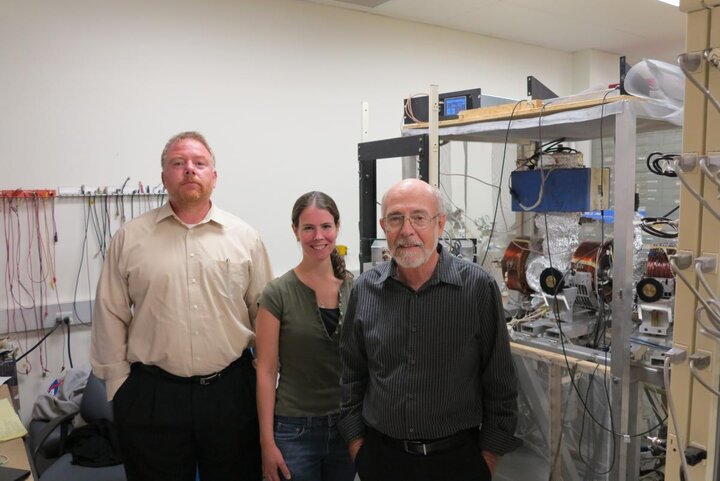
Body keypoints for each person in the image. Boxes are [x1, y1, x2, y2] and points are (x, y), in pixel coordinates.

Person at [90, 131, 273, 481]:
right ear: (164, 177)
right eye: (178, 163)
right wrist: (119, 387)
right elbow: (110, 313)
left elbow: (263, 315)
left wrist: (268, 382)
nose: (189, 170)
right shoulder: (131, 238)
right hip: (152, 396)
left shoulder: (244, 238)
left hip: (230, 393)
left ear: (214, 177)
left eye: (199, 163)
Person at [338, 178, 521, 481]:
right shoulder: (365, 290)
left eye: (419, 217)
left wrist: (485, 462)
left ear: (440, 224)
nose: (407, 230)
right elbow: (351, 378)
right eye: (396, 218)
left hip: (457, 461)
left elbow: (500, 383)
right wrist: (359, 449)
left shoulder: (477, 288)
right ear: (384, 227)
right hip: (382, 460)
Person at [256, 191, 355, 481]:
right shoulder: (277, 293)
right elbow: (265, 370)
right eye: (308, 228)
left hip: (346, 429)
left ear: (337, 228)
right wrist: (267, 442)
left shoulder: (355, 288)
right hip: (293, 431)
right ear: (295, 231)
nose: (318, 236)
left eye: (326, 226)